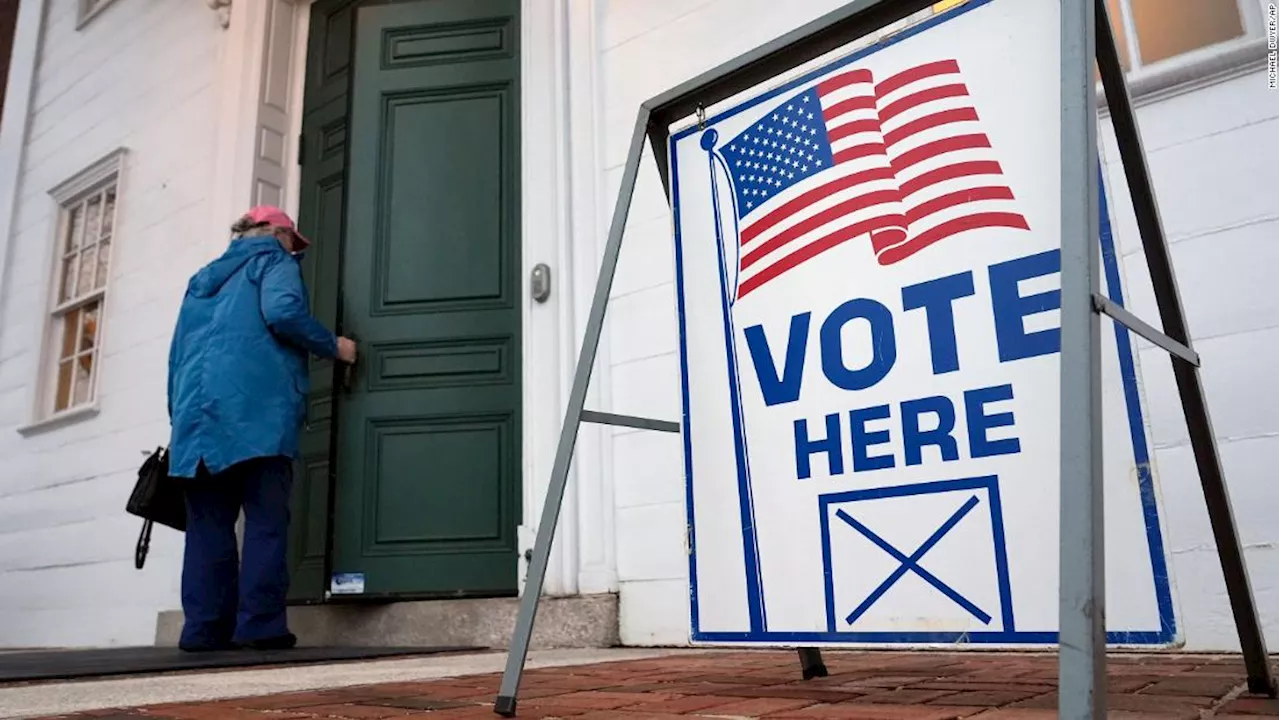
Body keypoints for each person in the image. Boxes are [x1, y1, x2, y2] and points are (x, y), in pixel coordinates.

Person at [166, 205, 357, 652]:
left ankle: (203, 631)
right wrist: (335, 346)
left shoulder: (203, 279)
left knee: (207, 527)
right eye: (294, 240)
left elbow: (177, 356)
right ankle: (259, 628)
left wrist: (180, 420)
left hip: (196, 422)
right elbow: (283, 311)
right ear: (273, 232)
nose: (296, 251)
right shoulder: (274, 260)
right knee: (266, 523)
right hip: (258, 415)